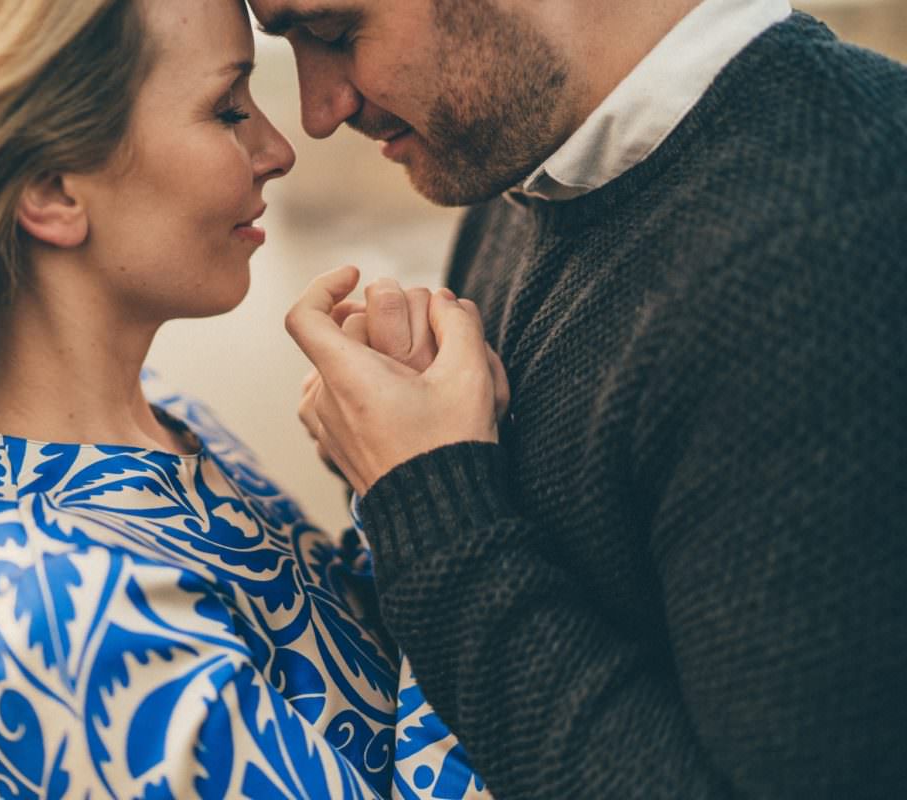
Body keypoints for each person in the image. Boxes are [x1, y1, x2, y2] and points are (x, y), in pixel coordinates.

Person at [0, 0, 493, 797]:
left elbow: (355, 684)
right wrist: (442, 496)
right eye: (228, 108)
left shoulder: (159, 422)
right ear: (51, 187)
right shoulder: (47, 620)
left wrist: (391, 472)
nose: (279, 149)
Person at [259, 0, 907, 795]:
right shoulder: (532, 176)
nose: (318, 112)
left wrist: (428, 505)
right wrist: (406, 446)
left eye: (332, 34)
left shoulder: (832, 247)